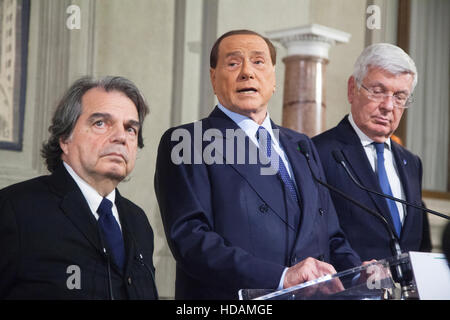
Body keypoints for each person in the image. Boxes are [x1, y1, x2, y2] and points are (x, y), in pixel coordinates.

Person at [154, 30, 363, 300]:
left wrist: (358, 273)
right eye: (233, 63)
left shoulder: (301, 146)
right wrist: (280, 277)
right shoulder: (188, 142)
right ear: (213, 78)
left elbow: (331, 236)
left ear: (273, 79)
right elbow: (192, 241)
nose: (247, 73)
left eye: (258, 62)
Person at [0, 76, 158, 299]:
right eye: (100, 123)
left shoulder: (138, 221)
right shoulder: (14, 210)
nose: (121, 137)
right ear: (65, 138)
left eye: (130, 128)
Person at [312, 43, 431, 262]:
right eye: (378, 91)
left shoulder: (412, 163)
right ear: (352, 89)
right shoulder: (318, 153)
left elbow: (420, 243)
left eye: (399, 96)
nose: (388, 106)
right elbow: (315, 237)